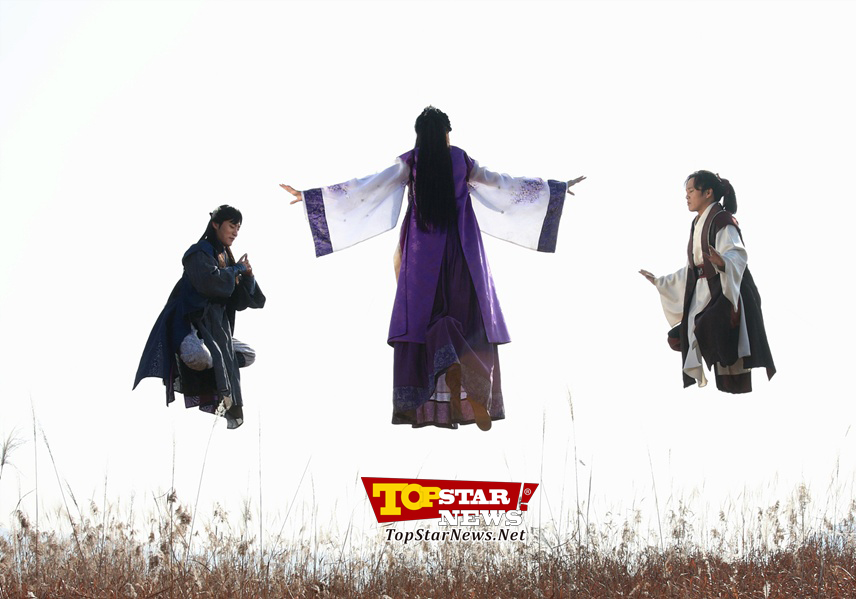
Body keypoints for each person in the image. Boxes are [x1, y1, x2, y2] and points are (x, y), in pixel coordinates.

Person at [281, 106, 584, 430]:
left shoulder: (411, 162)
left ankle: (448, 368)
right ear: (446, 133)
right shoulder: (461, 160)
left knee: (425, 323)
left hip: (422, 259)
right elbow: (503, 185)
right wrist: (555, 190)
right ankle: (472, 382)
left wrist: (313, 198)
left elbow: (367, 187)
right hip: (463, 255)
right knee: (469, 321)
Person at [639, 171, 775, 393]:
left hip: (725, 288)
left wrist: (723, 262)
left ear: (708, 192)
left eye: (691, 191)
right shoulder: (697, 223)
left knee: (709, 329)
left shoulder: (722, 219)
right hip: (703, 291)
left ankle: (730, 370)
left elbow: (737, 254)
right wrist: (662, 281)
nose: (687, 196)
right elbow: (693, 268)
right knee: (678, 337)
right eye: (686, 192)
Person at [134, 205, 266, 428]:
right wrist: (236, 270)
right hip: (190, 324)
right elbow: (210, 282)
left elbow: (243, 300)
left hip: (216, 332)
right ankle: (196, 361)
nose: (235, 232)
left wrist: (248, 276)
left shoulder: (228, 259)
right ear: (216, 224)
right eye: (231, 226)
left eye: (238, 228)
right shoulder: (198, 252)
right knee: (199, 357)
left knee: (248, 355)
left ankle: (216, 367)